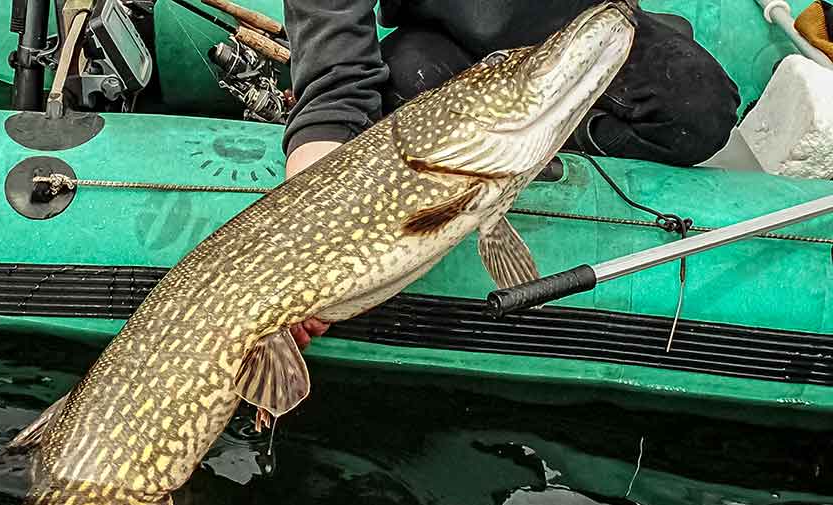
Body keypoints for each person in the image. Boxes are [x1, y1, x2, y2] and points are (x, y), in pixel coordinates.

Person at [281, 0, 741, 349]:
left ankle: (546, 126)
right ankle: (529, 128)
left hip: (576, 27)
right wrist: (306, 232)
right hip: (443, 40)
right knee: (404, 87)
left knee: (699, 110)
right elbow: (336, 77)